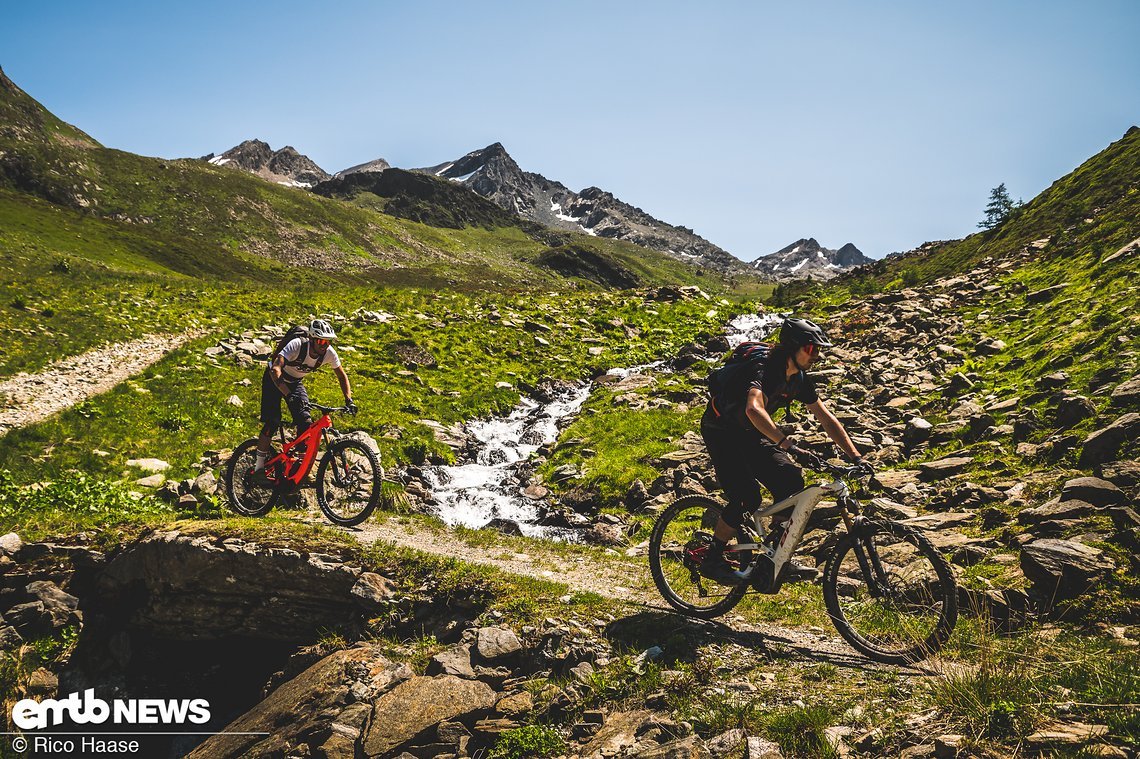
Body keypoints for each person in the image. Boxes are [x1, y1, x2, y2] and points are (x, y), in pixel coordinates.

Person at [699, 317, 872, 584]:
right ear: (793, 347)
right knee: (746, 497)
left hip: (752, 433)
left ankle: (775, 559)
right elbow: (753, 409)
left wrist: (856, 456)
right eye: (812, 349)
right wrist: (786, 443)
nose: (817, 356)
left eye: (819, 350)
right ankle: (712, 557)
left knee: (790, 479)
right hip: (722, 431)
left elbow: (827, 419)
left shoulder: (799, 379)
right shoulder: (762, 368)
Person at [254, 319, 356, 476]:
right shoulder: (297, 345)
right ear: (312, 339)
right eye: (321, 341)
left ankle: (301, 468)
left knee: (305, 422)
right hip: (274, 380)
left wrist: (349, 400)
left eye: (328, 342)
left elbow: (342, 376)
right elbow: (275, 369)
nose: (324, 345)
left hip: (295, 382)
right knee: (272, 422)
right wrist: (288, 394)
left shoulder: (329, 353)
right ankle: (258, 468)